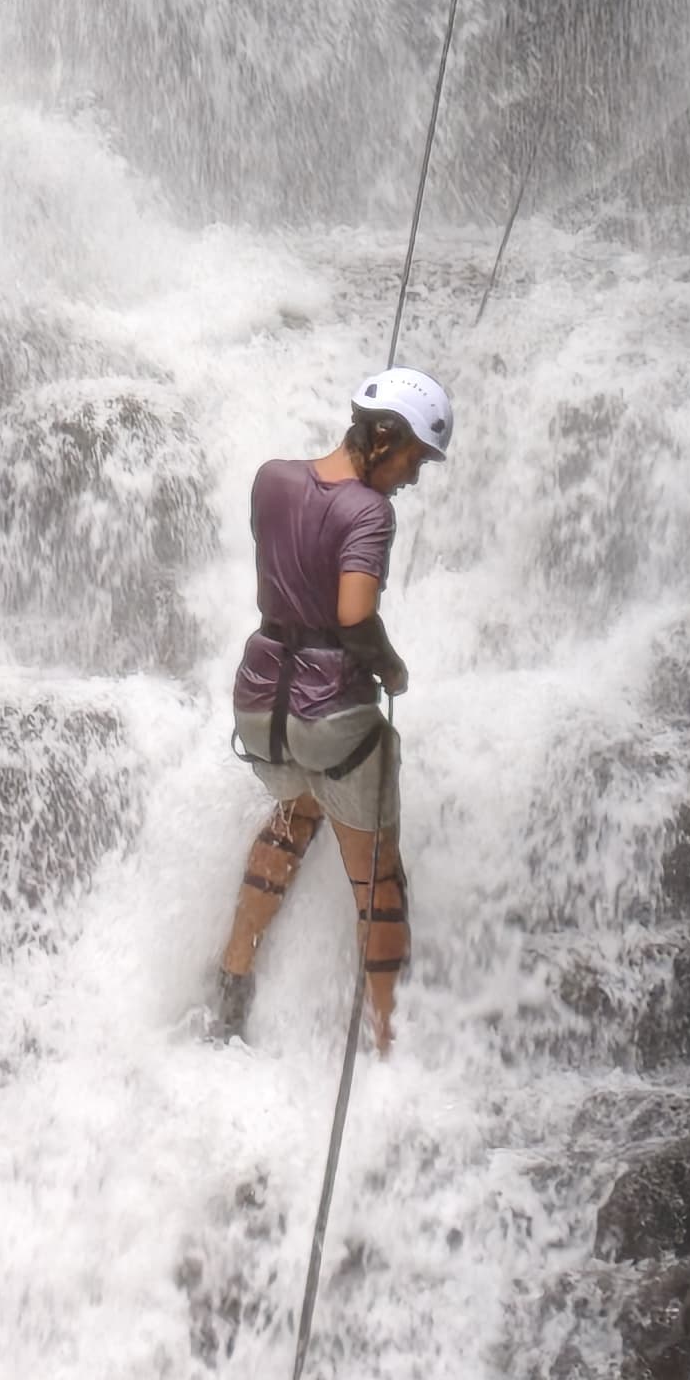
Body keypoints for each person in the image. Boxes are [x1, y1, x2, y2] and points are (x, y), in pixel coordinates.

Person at [208, 364, 452, 1056]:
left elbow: (289, 565)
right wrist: (389, 666)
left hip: (260, 708)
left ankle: (232, 983)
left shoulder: (271, 478)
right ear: (385, 438)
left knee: (292, 823)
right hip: (331, 719)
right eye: (412, 459)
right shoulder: (371, 512)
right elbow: (351, 613)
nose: (412, 476)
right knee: (379, 879)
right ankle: (388, 1043)